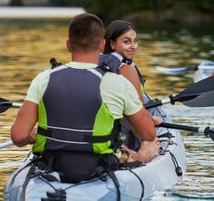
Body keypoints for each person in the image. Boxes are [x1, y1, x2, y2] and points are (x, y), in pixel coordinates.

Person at [10, 12, 160, 183]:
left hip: (50, 165)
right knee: (150, 146)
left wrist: (33, 136)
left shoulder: (43, 78)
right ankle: (141, 158)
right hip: (99, 167)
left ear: (68, 45)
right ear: (103, 45)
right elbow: (148, 133)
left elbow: (19, 136)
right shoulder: (117, 83)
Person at [99, 19, 162, 152]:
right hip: (120, 133)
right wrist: (152, 121)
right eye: (127, 42)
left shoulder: (96, 62)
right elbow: (136, 111)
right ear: (112, 44)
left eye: (135, 41)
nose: (133, 46)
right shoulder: (125, 69)